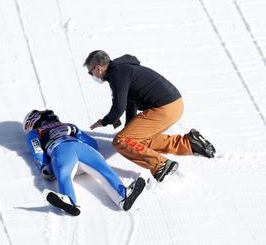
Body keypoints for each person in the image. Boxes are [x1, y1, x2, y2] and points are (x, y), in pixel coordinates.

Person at [84, 50, 216, 182]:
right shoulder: (122, 69)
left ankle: (160, 165)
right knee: (136, 139)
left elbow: (119, 107)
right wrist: (128, 127)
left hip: (163, 108)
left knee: (121, 141)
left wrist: (105, 121)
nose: (92, 75)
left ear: (98, 68)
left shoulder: (117, 73)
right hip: (175, 105)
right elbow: (131, 102)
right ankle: (189, 144)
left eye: (91, 72)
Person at [23, 109, 146, 216]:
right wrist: (76, 131)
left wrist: (43, 165)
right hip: (72, 149)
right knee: (101, 169)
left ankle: (69, 200)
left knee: (65, 174)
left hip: (62, 150)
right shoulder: (54, 128)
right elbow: (93, 144)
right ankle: (121, 195)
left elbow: (37, 151)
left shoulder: (38, 132)